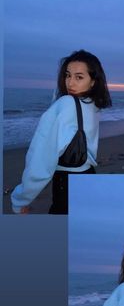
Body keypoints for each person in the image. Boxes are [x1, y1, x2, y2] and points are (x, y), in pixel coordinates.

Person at [11, 49, 112, 214]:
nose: (70, 83)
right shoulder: (92, 104)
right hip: (88, 175)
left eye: (79, 77)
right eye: (67, 75)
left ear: (93, 81)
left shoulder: (66, 104)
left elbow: (41, 159)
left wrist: (22, 198)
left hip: (67, 183)